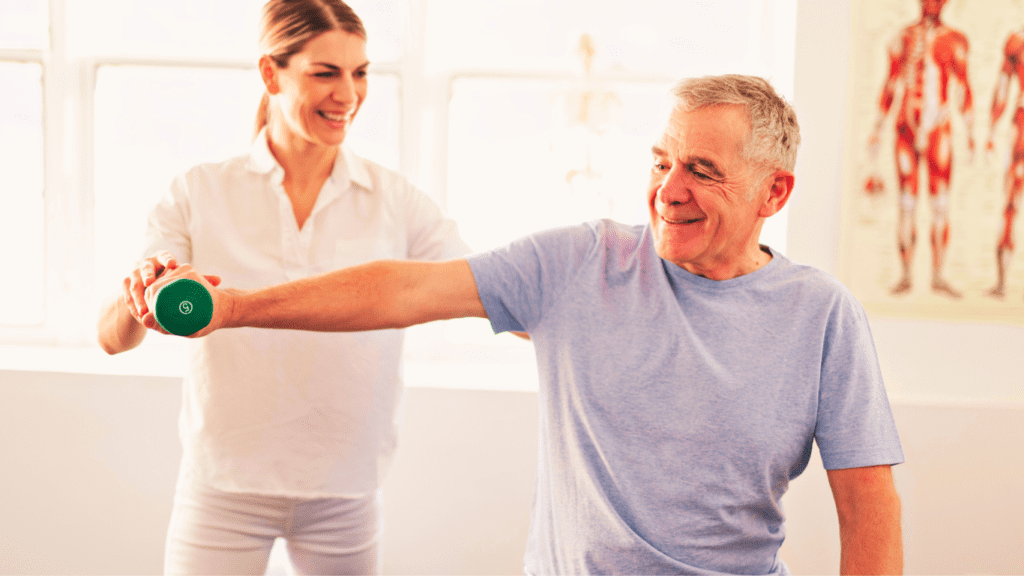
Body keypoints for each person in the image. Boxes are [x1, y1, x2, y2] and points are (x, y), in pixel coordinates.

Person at [141, 75, 905, 575]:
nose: (669, 189)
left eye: (702, 170)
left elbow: (866, 504)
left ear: (775, 193)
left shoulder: (821, 315)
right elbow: (402, 291)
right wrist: (237, 307)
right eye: (661, 160)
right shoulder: (582, 264)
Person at [97, 1, 470, 574]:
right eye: (326, 72)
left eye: (360, 72)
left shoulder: (395, 201)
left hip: (345, 492)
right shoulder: (200, 191)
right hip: (223, 488)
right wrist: (139, 297)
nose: (348, 94)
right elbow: (112, 338)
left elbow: (483, 287)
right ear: (272, 74)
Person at [864, 0, 974, 299]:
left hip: (939, 128)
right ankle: (906, 274)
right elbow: (890, 85)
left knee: (940, 204)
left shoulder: (955, 41)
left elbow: (963, 88)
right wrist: (876, 128)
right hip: (905, 129)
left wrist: (973, 132)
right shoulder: (903, 38)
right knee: (907, 202)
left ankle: (938, 274)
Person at [986, 27, 1024, 299]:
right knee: (1011, 199)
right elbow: (1002, 87)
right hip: (1021, 127)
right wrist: (990, 129)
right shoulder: (1017, 41)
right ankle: (1002, 281)